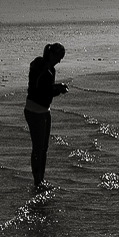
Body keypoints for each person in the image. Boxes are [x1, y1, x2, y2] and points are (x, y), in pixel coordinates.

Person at [24, 43, 68, 190]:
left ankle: (40, 179)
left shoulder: (43, 66)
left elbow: (45, 88)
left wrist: (56, 87)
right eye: (59, 58)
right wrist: (59, 90)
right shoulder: (46, 71)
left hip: (42, 110)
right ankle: (37, 181)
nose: (60, 61)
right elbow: (43, 92)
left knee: (43, 148)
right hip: (35, 110)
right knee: (38, 148)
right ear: (52, 55)